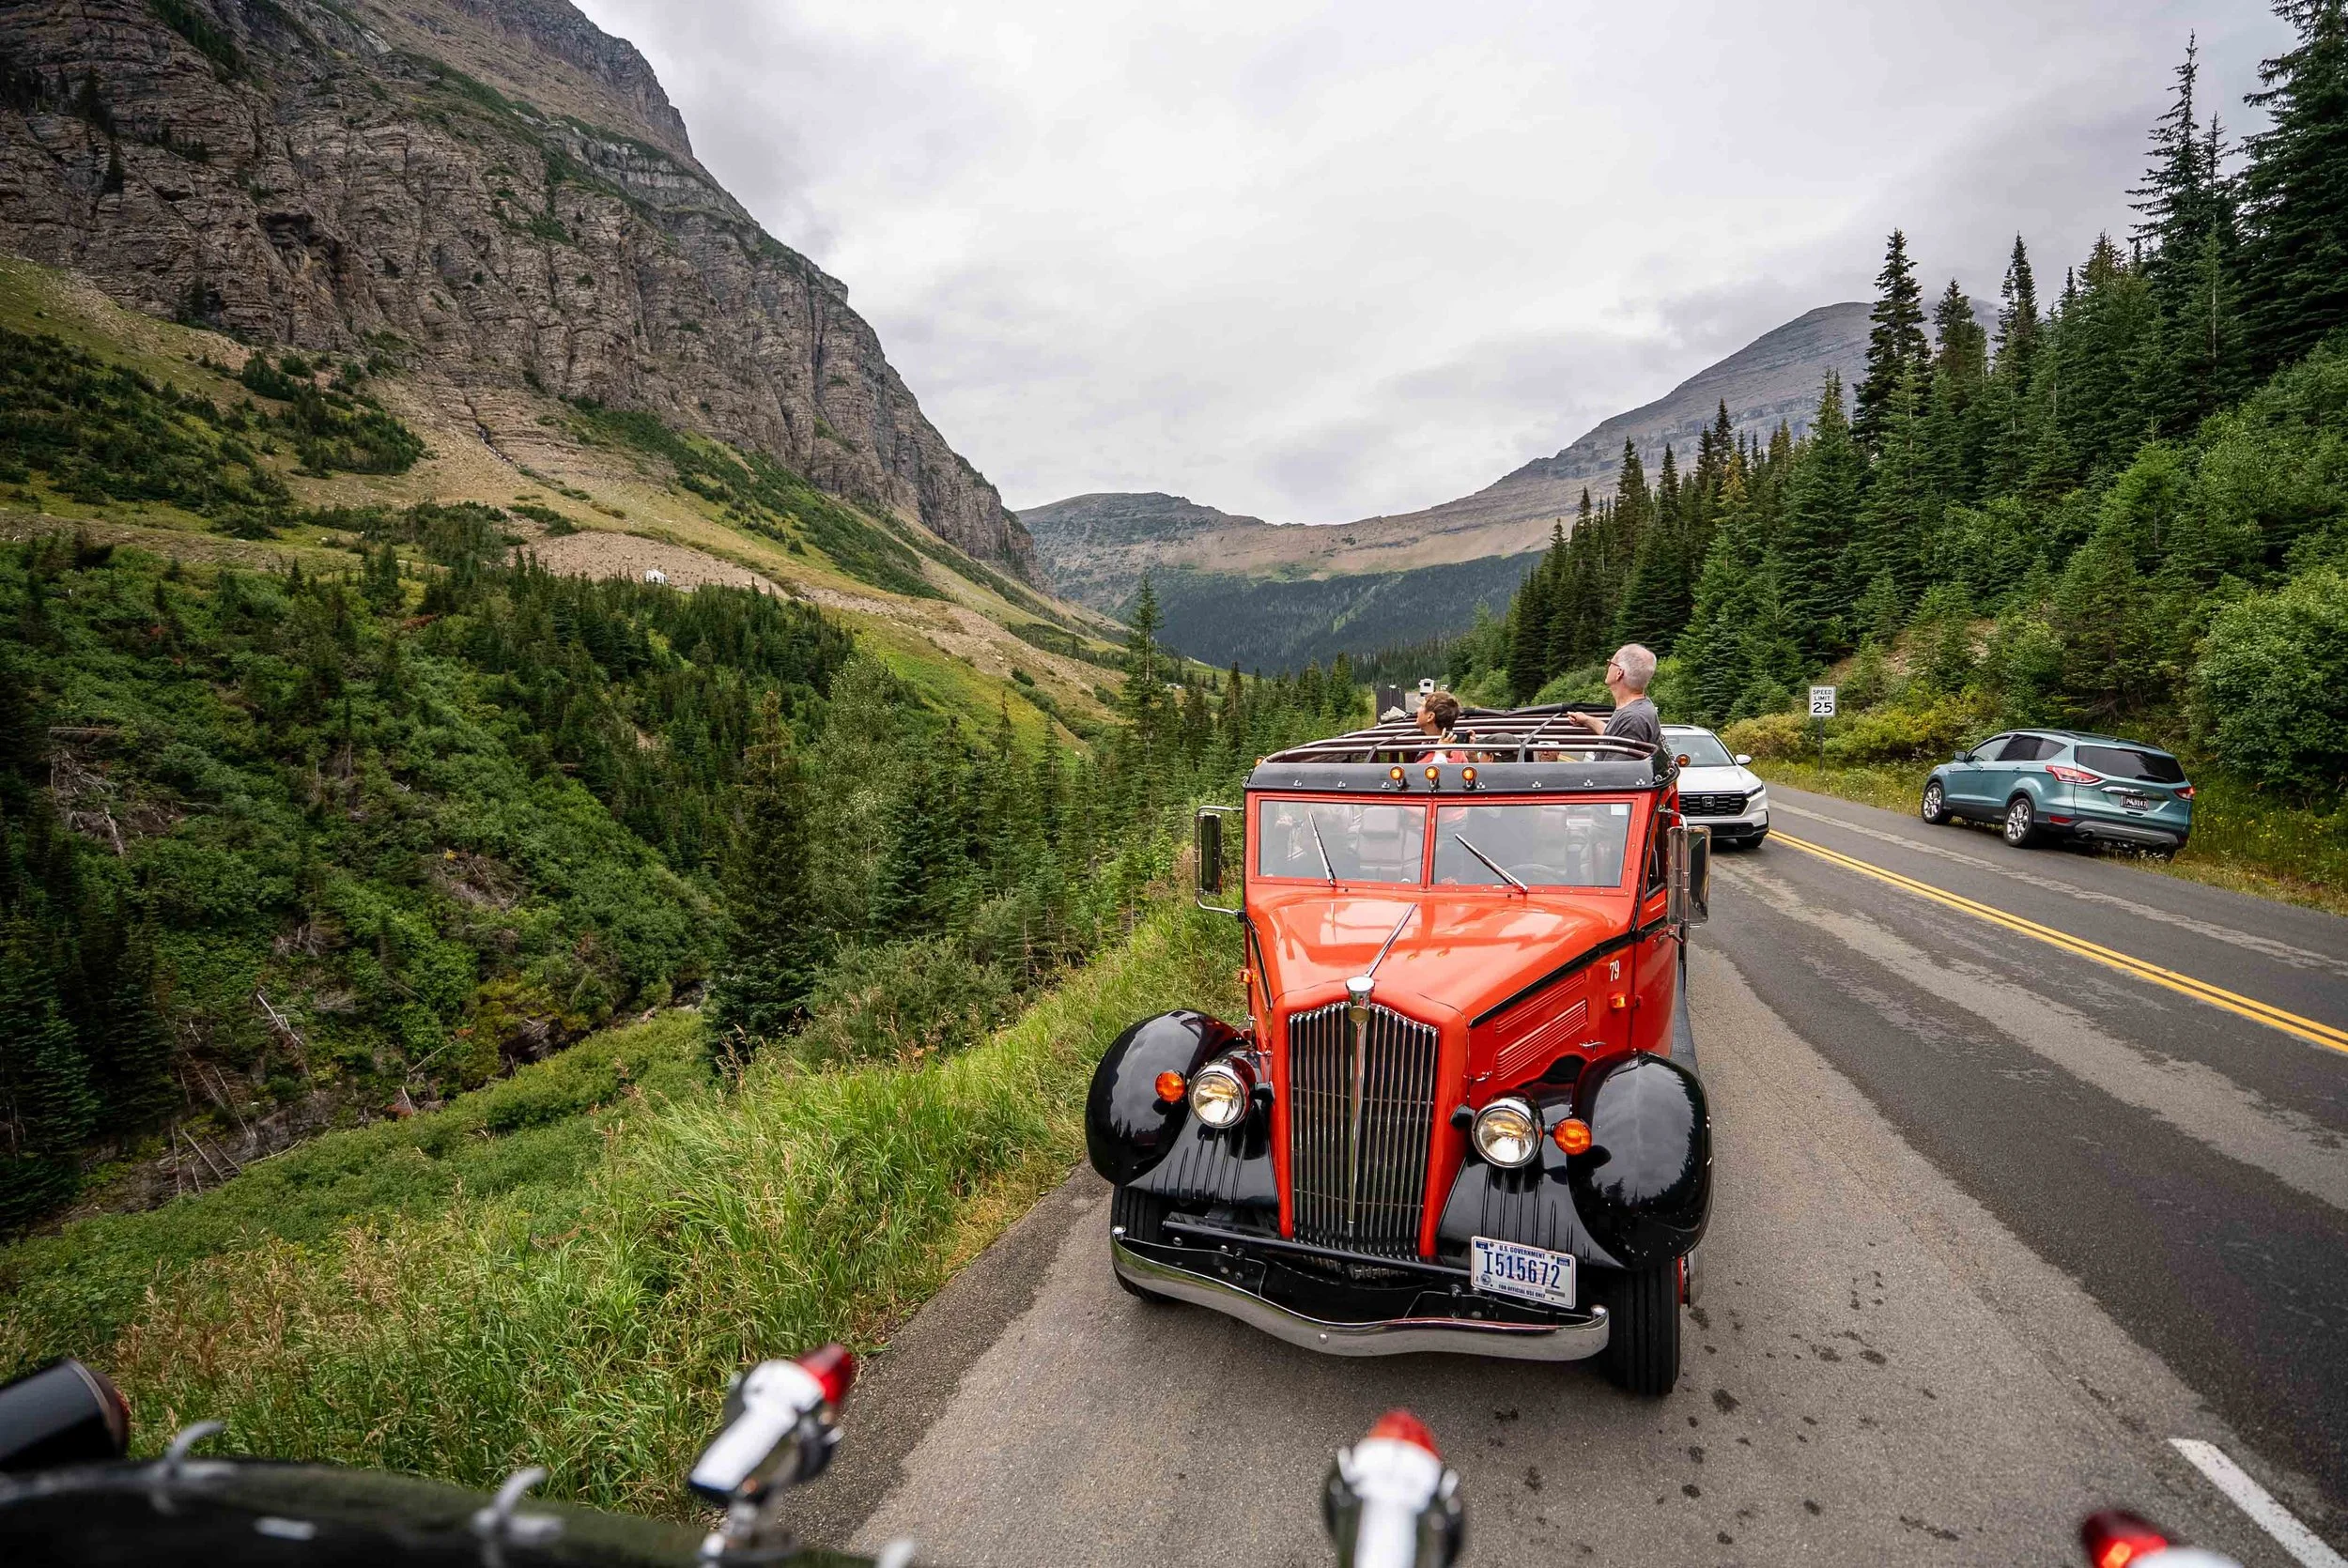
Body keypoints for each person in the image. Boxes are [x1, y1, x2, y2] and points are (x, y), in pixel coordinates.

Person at [1567, 644, 1662, 752]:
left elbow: (1616, 768)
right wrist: (1587, 721)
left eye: (1610, 663)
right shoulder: (1636, 709)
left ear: (1619, 673)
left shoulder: (1633, 718)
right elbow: (1616, 736)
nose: (1607, 667)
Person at [1414, 689, 1465, 761]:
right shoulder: (1459, 753)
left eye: (1422, 707)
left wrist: (1440, 755)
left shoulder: (1445, 755)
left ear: (1430, 717)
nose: (1417, 709)